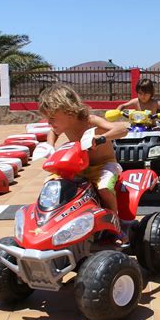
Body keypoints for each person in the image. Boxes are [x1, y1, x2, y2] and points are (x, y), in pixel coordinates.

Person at [38, 84, 129, 242]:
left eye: (51, 117)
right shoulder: (63, 125)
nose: (49, 122)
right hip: (79, 166)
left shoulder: (90, 121)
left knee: (104, 188)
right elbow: (52, 132)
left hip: (104, 166)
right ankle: (57, 224)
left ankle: (115, 224)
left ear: (68, 111)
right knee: (52, 184)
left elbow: (122, 129)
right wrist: (49, 145)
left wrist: (101, 139)